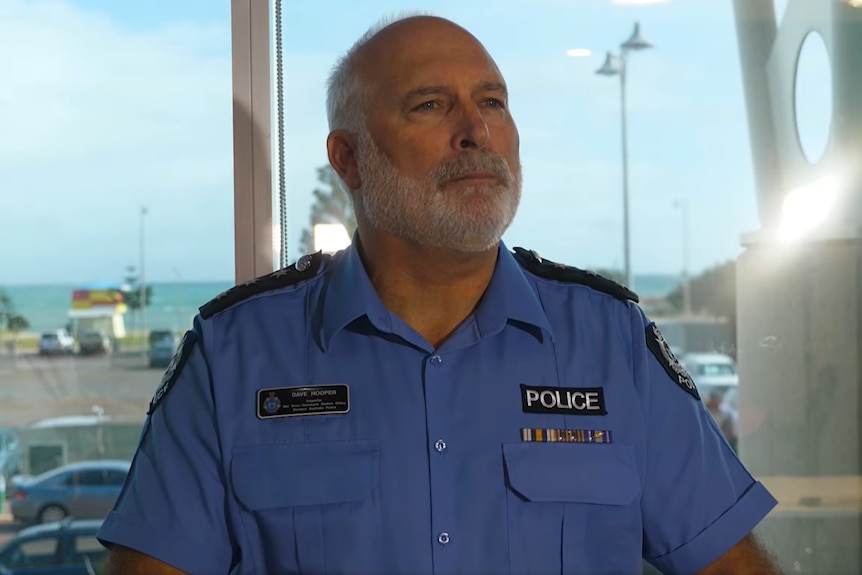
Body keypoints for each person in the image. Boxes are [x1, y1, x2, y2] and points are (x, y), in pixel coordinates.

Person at [98, 14, 782, 575]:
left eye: (492, 102)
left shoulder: (610, 343)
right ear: (348, 158)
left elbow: (730, 561)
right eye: (430, 104)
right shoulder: (235, 355)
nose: (476, 131)